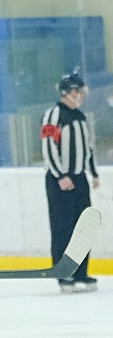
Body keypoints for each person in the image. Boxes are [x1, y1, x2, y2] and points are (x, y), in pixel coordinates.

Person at [41, 69, 100, 293]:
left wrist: (92, 173)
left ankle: (81, 272)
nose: (82, 95)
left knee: (83, 228)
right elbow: (48, 148)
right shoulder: (53, 115)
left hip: (79, 178)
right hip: (60, 181)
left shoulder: (80, 117)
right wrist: (60, 176)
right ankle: (64, 274)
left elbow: (88, 147)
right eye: (79, 91)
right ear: (68, 92)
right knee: (63, 228)